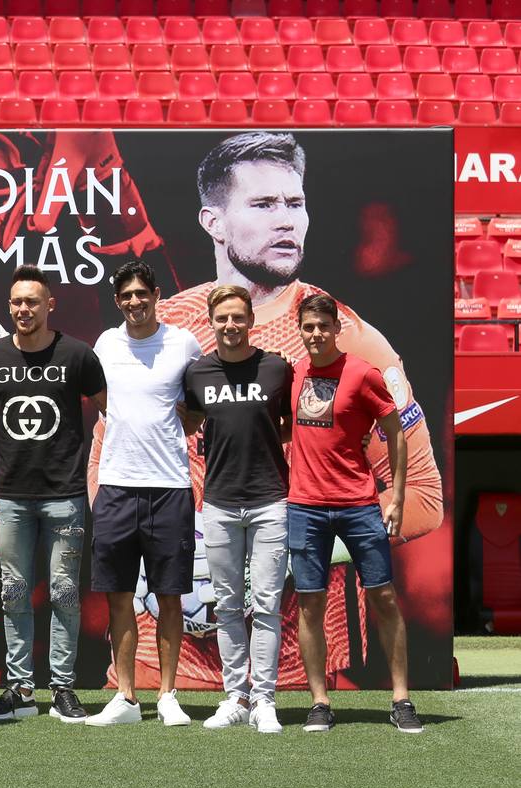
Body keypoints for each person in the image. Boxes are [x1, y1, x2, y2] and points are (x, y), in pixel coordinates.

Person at [152, 130, 443, 692]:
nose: (286, 220)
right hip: (158, 657)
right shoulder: (165, 329)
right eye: (263, 205)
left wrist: (296, 543)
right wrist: (162, 550)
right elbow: (107, 461)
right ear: (213, 221)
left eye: (295, 203)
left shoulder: (352, 339)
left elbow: (424, 500)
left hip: (297, 666)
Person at [0, 265, 106, 723]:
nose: (23, 309)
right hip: (9, 496)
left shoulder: (77, 355)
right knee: (14, 591)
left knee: (65, 592)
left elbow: (110, 414)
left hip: (64, 495)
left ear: (50, 305)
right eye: (16, 302)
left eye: (32, 301)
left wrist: (97, 475)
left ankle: (63, 687)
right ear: (8, 307)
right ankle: (21, 689)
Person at [288, 295, 423, 734]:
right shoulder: (292, 375)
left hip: (359, 505)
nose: (315, 334)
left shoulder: (362, 372)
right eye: (308, 327)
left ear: (335, 329)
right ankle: (320, 702)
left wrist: (397, 496)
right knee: (310, 604)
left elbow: (395, 430)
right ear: (300, 328)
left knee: (383, 597)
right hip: (305, 506)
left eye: (323, 327)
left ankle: (401, 699)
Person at [86, 260, 202, 727]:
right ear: (119, 302)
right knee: (119, 596)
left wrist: (169, 429)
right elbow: (102, 401)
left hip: (170, 487)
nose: (135, 302)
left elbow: (195, 411)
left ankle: (169, 695)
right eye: (127, 296)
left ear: (156, 295)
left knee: (169, 595)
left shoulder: (183, 343)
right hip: (116, 486)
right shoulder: (106, 343)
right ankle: (128, 698)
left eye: (142, 294)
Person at [182, 286, 292, 734]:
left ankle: (264, 699)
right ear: (211, 322)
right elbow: (188, 421)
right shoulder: (198, 373)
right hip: (219, 503)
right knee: (227, 605)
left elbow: (287, 427)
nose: (230, 325)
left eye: (238, 317)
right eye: (222, 318)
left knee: (265, 605)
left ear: (251, 320)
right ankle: (235, 697)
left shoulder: (276, 368)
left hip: (270, 500)